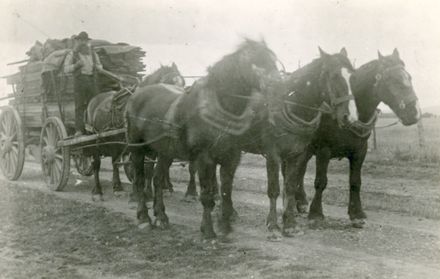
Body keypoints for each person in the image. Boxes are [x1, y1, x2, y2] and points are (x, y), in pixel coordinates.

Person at [64, 31, 103, 136]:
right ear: (78, 41)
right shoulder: (72, 54)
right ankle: (79, 130)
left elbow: (100, 66)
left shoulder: (93, 54)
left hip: (91, 80)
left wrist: (97, 67)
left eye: (85, 40)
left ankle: (94, 127)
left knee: (95, 103)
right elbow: (66, 69)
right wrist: (76, 65)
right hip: (80, 82)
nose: (83, 43)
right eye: (81, 40)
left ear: (87, 41)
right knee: (80, 106)